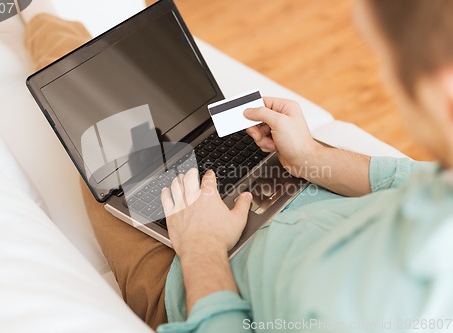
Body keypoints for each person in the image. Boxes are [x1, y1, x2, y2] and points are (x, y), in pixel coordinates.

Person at [23, 0, 453, 331]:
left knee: (98, 140)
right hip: (299, 184)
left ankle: (35, 14)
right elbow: (403, 178)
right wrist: (311, 158)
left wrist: (203, 247)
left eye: (385, 62)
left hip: (193, 277)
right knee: (203, 120)